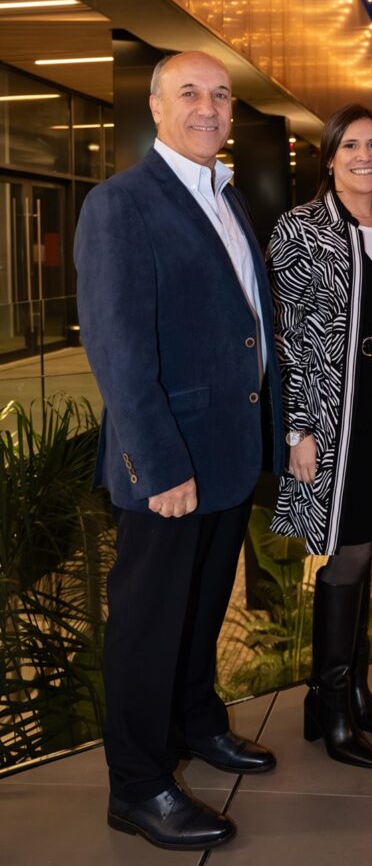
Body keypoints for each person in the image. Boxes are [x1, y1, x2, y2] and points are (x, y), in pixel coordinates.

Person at [74, 51, 284, 851]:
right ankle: (137, 785)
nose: (208, 107)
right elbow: (118, 349)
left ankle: (199, 724)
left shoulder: (226, 197)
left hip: (227, 452)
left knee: (200, 608)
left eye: (220, 95)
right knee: (147, 623)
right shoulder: (120, 203)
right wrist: (158, 465)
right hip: (168, 462)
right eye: (189, 93)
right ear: (156, 108)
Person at [268, 104, 372, 769]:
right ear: (329, 157)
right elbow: (286, 336)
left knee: (365, 541)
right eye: (351, 145)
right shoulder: (300, 228)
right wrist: (297, 428)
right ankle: (330, 704)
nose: (365, 156)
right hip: (335, 413)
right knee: (348, 551)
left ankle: (351, 688)